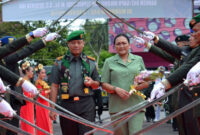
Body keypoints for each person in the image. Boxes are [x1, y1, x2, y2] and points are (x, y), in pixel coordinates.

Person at [144, 15, 200, 135]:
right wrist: (155, 39)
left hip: (193, 99)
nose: (192, 35)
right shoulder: (189, 51)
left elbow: (187, 67)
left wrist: (164, 84)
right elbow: (172, 51)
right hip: (181, 97)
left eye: (195, 31)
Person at [0, 31, 58, 135]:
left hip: (14, 101)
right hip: (5, 100)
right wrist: (43, 41)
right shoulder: (7, 58)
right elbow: (25, 51)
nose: (14, 52)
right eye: (12, 49)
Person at [49, 30, 100, 135]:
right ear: (68, 44)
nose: (76, 45)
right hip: (67, 104)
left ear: (83, 43)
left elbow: (98, 83)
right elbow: (54, 86)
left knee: (87, 133)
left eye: (79, 42)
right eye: (73, 43)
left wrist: (92, 83)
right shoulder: (59, 63)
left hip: (86, 104)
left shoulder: (91, 62)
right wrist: (52, 108)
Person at [101, 33, 146, 135]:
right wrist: (116, 89)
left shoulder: (138, 60)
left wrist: (137, 86)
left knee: (136, 133)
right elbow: (103, 84)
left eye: (124, 43)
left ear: (129, 45)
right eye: (118, 44)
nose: (121, 46)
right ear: (114, 47)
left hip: (136, 105)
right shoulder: (109, 62)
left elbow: (146, 81)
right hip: (117, 107)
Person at [35, 63, 53, 135]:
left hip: (45, 103)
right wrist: (49, 91)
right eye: (42, 73)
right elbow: (40, 95)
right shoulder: (38, 82)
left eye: (44, 73)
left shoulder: (43, 82)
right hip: (41, 104)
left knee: (47, 122)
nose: (44, 74)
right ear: (38, 74)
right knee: (43, 123)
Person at [19, 61, 35, 134]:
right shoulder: (23, 81)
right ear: (26, 71)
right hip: (26, 106)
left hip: (30, 106)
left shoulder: (28, 80)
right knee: (27, 126)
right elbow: (24, 95)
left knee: (30, 125)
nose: (33, 73)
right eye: (31, 71)